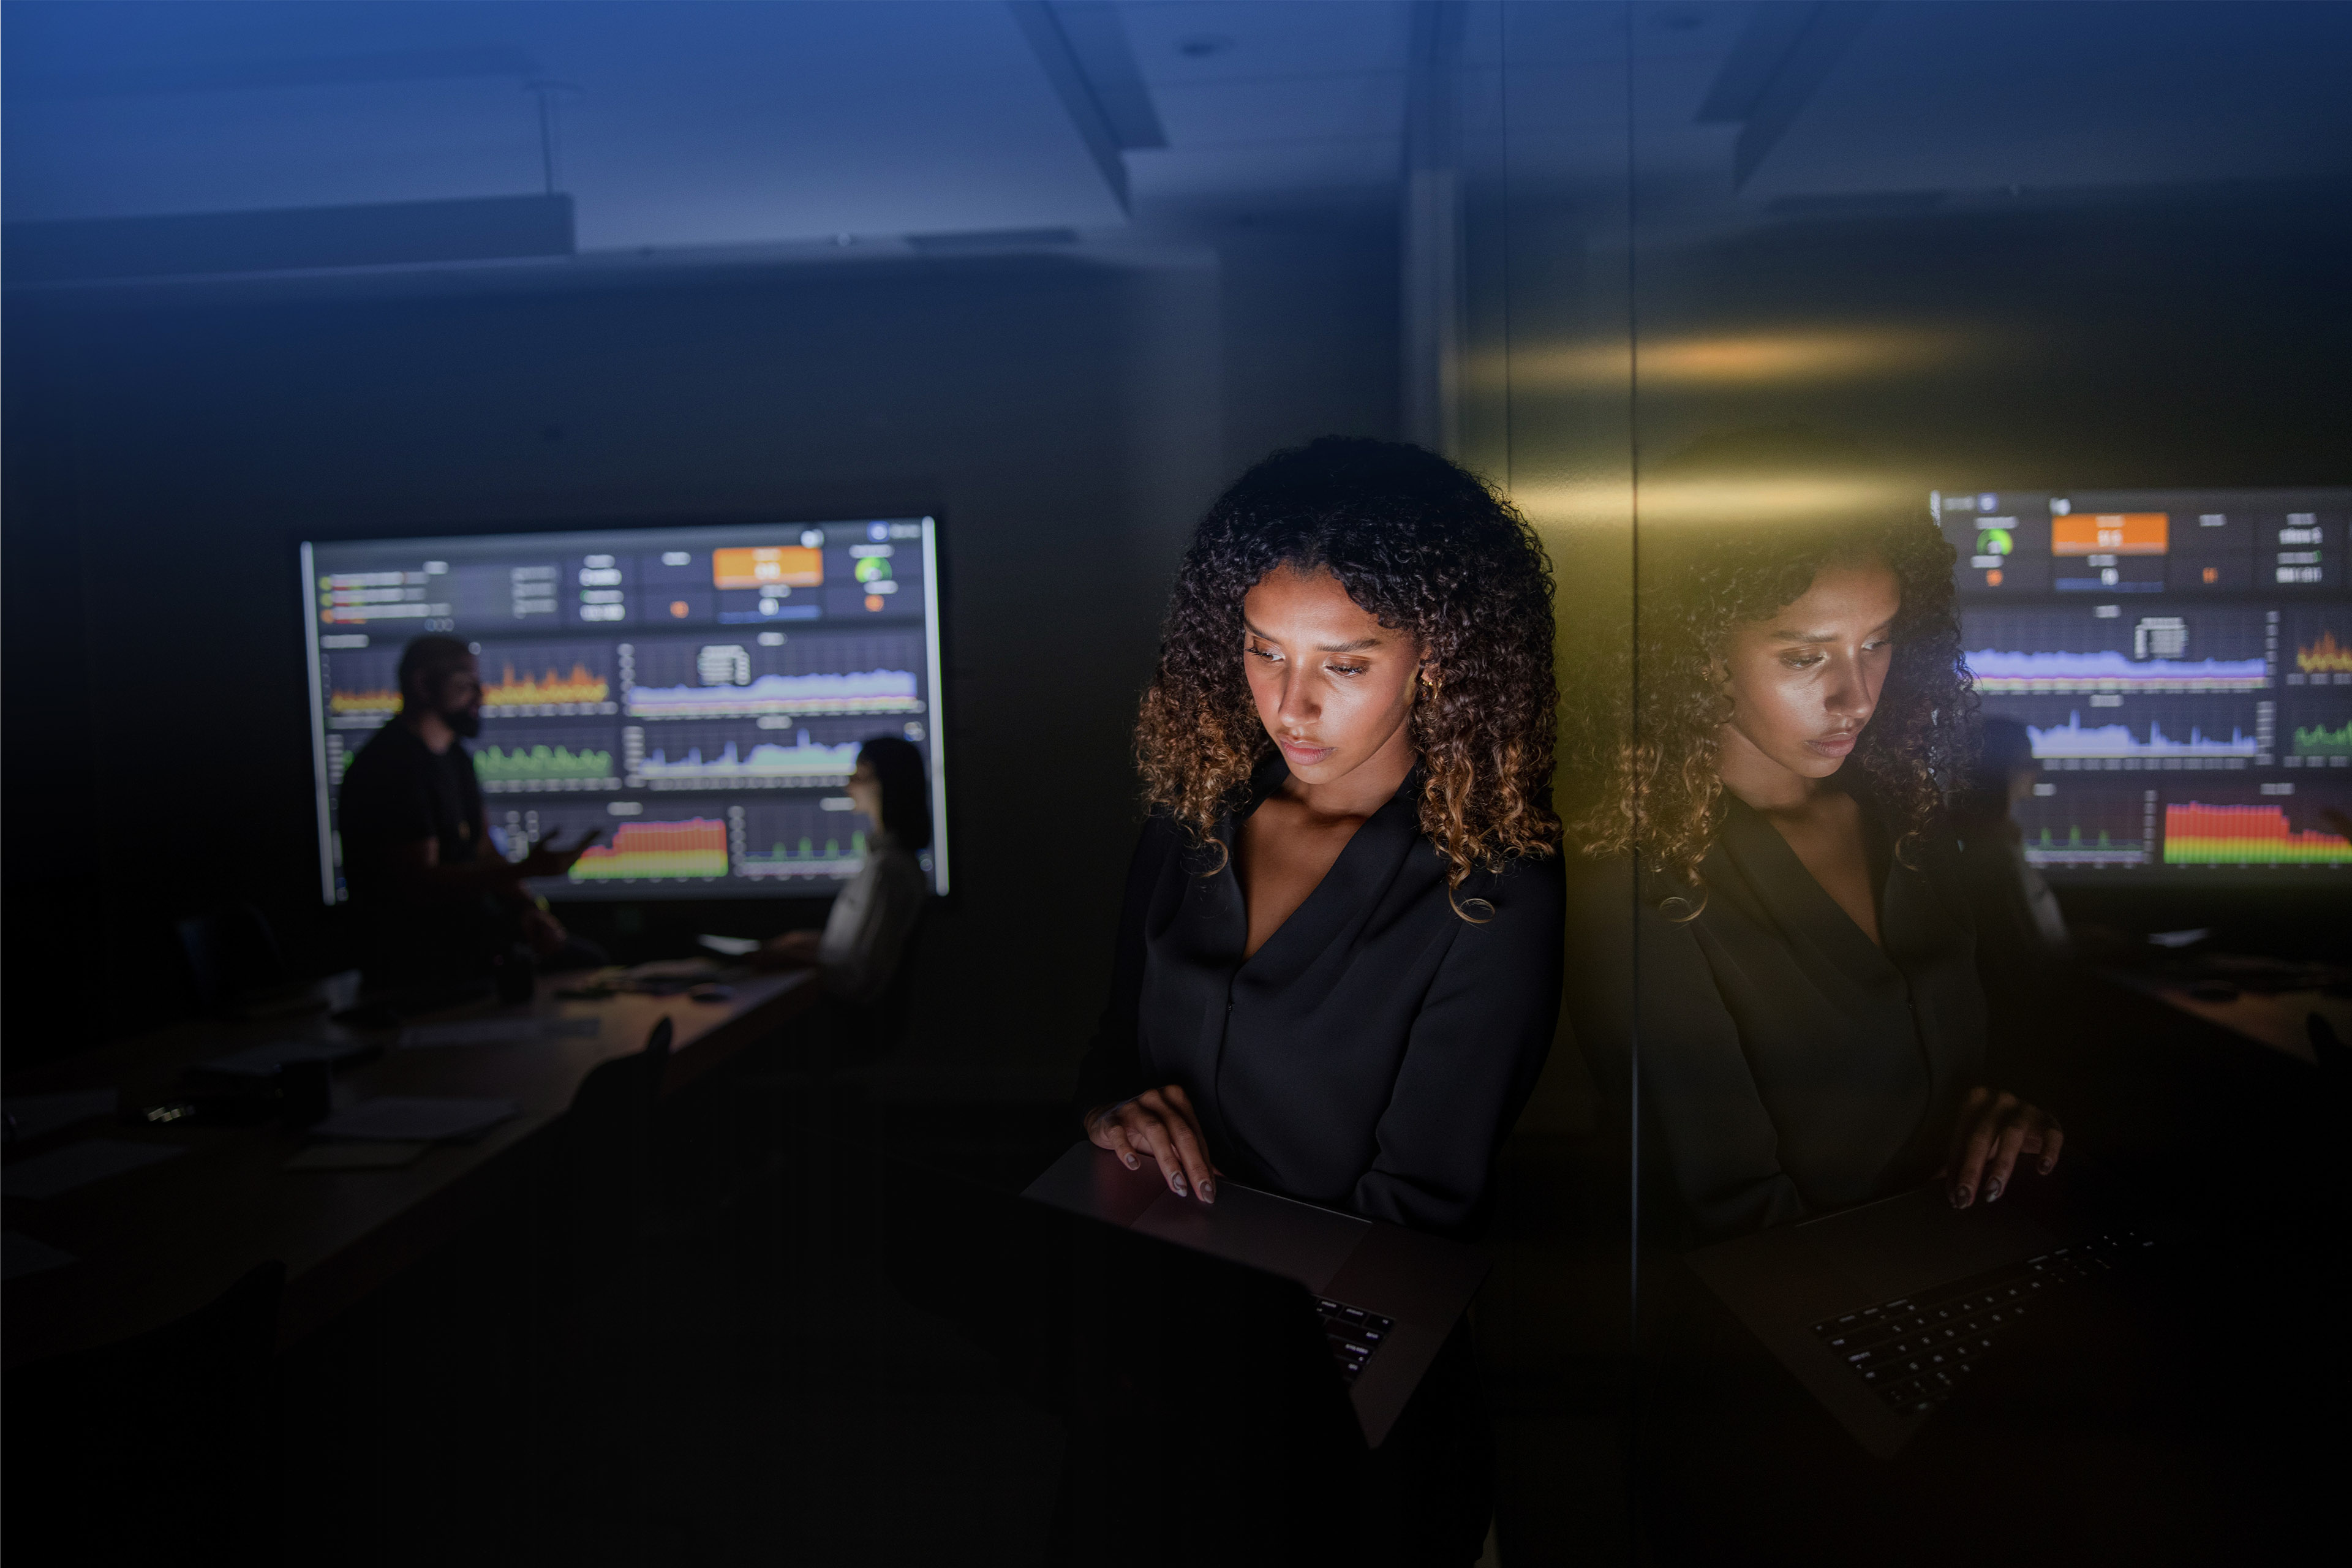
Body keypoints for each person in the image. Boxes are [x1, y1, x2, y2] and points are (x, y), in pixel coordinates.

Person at [1071, 437, 1566, 1563]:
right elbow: (1108, 1050)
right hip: (1145, 1371)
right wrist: (1113, 1114)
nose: (1288, 706)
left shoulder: (1493, 891)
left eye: (1344, 665)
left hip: (1338, 1414)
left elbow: (1417, 1225)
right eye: (1260, 652)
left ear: (1436, 656)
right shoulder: (1190, 822)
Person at [1559, 511, 2062, 1245]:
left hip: (1985, 1260)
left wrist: (2015, 1114)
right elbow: (1733, 1219)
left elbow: (1992, 1053)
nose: (1856, 697)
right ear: (1695, 656)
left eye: (1877, 643)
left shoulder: (1907, 821)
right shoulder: (1637, 884)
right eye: (1803, 658)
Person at [337, 635, 599, 992]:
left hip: (470, 941)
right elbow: (420, 881)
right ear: (422, 684)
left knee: (589, 966)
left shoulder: (454, 757)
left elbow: (482, 849)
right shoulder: (392, 768)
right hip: (423, 962)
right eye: (465, 684)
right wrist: (526, 869)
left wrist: (529, 909)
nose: (481, 697)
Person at [752, 735, 931, 1006]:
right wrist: (804, 942)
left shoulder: (890, 872)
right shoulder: (881, 863)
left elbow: (856, 976)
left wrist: (784, 959)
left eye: (859, 776)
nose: (849, 785)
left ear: (886, 785)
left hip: (846, 1023)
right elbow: (854, 949)